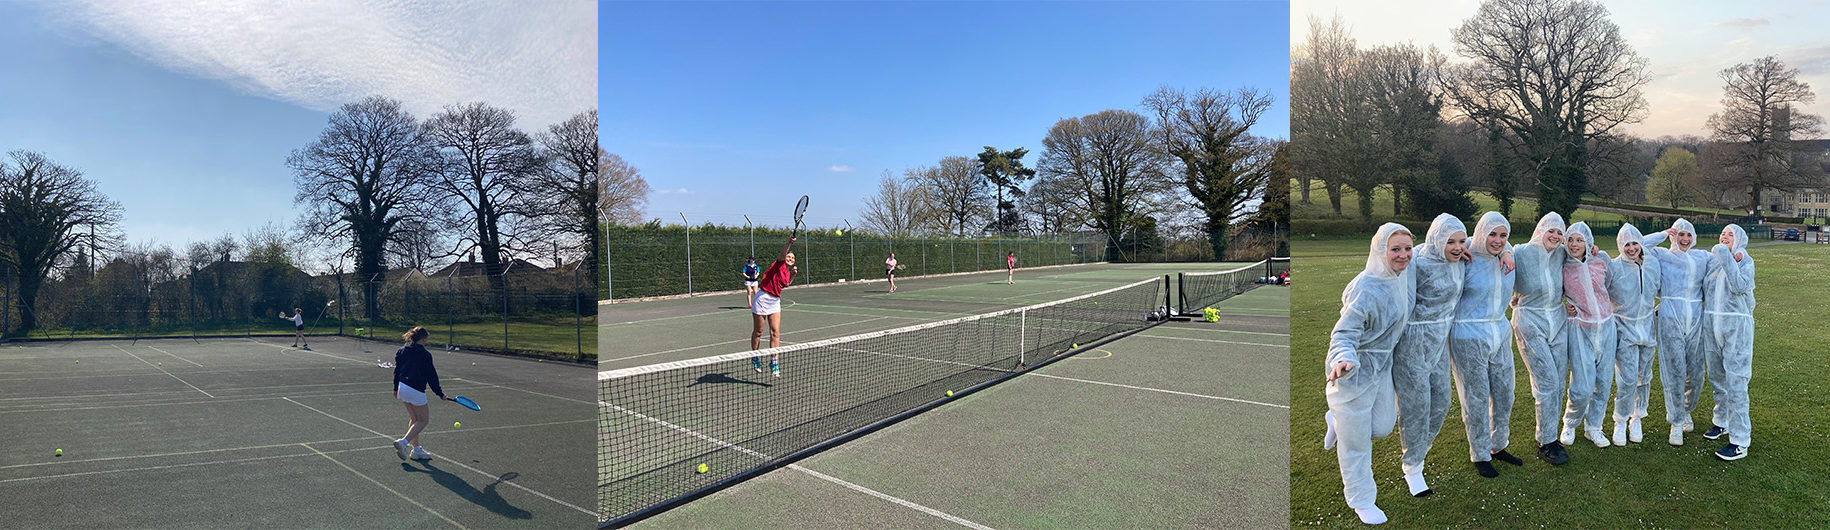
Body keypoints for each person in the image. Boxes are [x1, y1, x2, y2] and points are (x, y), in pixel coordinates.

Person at [1321, 223, 1413, 525]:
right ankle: (1362, 500)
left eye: (1407, 248)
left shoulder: (1400, 276)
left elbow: (1440, 247)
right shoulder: (1366, 287)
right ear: (1380, 251)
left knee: (1383, 427)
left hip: (1381, 368)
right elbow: (1343, 334)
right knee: (1356, 444)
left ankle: (1335, 419)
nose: (1403, 255)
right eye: (1395, 249)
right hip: (1352, 372)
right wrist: (1343, 359)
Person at [1392, 214, 1466, 497]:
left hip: (1438, 345)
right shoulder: (1418, 262)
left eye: (1461, 241)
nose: (1457, 247)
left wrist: (1506, 251)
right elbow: (1387, 277)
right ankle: (1412, 468)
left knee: (1441, 404)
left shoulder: (1458, 260)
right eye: (1450, 242)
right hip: (1412, 345)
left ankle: (1419, 453)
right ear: (1437, 240)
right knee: (1416, 408)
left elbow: (1489, 239)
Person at [1448, 212, 1522, 478]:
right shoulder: (1465, 257)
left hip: (1499, 331)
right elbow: (1434, 249)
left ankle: (1497, 445)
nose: (1498, 241)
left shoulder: (1506, 258)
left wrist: (1507, 251)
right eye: (1492, 234)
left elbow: (1509, 246)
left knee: (1504, 392)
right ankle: (1479, 453)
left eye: (1503, 235)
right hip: (1468, 333)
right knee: (1476, 397)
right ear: (1480, 233)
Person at [1641, 219, 1710, 446]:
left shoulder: (1702, 257)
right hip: (1670, 316)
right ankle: (1675, 421)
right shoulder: (1662, 255)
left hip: (1695, 317)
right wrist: (1662, 233)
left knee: (1697, 372)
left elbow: (1727, 258)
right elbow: (1639, 245)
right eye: (1680, 235)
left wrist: (1740, 255)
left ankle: (1686, 410)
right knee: (1674, 371)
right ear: (1674, 236)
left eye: (1689, 235)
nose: (1685, 240)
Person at [1512, 212, 1572, 464]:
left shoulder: (1562, 254)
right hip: (1529, 322)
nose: (1556, 236)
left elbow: (1585, 257)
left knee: (1558, 383)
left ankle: (1551, 434)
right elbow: (1487, 243)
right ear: (1540, 230)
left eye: (1560, 233)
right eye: (1551, 231)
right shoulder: (1521, 252)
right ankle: (1545, 441)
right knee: (1546, 382)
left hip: (1558, 322)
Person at [1602, 224, 1660, 445]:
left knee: (1644, 377)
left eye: (1635, 243)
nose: (1632, 248)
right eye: (1627, 244)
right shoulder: (1614, 267)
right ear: (1620, 245)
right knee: (1627, 379)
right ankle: (1620, 420)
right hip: (1623, 329)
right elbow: (1600, 291)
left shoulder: (1651, 265)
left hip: (1647, 327)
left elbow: (1661, 288)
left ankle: (1638, 418)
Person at [1703, 224, 1755, 460]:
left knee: (1736, 382)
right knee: (1717, 378)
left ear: (1740, 239)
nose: (1724, 236)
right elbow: (1701, 292)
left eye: (1730, 234)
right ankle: (1721, 421)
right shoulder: (1713, 263)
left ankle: (1740, 440)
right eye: (1722, 233)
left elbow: (1740, 286)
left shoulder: (1745, 261)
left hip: (1737, 329)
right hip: (1712, 327)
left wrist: (1727, 257)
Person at [1559, 222, 1613, 448]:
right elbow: (1551, 291)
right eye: (1570, 239)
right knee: (1581, 385)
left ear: (1588, 242)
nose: (1574, 244)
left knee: (1603, 382)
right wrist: (1565, 304)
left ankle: (1594, 427)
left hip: (1607, 327)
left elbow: (1608, 286)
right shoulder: (1561, 266)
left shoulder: (1601, 261)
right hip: (1580, 328)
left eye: (1579, 240)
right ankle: (1570, 423)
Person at [392, 326, 454, 462]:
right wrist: (439, 393)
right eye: (426, 339)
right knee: (423, 420)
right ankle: (403, 442)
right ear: (423, 339)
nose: (427, 342)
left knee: (415, 419)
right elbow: (432, 376)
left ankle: (416, 450)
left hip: (402, 387)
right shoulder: (425, 354)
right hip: (415, 390)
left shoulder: (402, 350)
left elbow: (397, 371)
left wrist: (396, 388)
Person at [750, 235, 798, 377]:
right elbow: (783, 254)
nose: (790, 259)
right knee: (758, 331)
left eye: (793, 258)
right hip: (763, 298)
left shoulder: (787, 272)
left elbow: (786, 284)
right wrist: (788, 243)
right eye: (789, 257)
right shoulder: (779, 264)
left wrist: (793, 275)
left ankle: (774, 362)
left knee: (775, 332)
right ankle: (755, 356)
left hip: (775, 301)